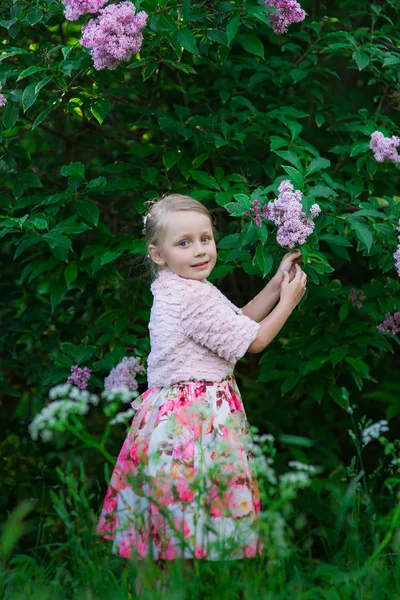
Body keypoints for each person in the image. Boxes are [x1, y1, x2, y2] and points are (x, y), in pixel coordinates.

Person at [96, 193, 307, 592]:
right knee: (178, 535)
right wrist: (290, 301)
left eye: (205, 239)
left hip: (177, 417)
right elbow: (255, 340)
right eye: (184, 243)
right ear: (157, 254)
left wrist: (276, 284)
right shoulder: (190, 295)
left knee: (171, 536)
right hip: (191, 424)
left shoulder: (181, 286)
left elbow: (235, 322)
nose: (199, 250)